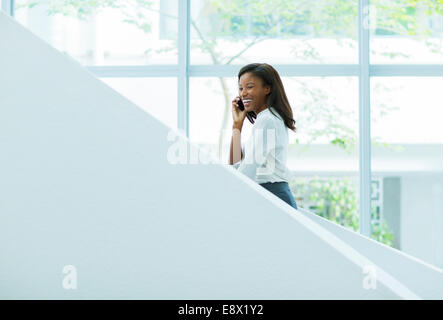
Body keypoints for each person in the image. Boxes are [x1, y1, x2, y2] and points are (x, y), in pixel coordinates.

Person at [229, 63, 298, 209]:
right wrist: (237, 126)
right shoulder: (266, 118)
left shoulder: (267, 120)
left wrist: (229, 195)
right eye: (241, 88)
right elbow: (236, 164)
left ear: (267, 88)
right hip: (268, 194)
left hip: (272, 194)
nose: (243, 93)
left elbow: (247, 170)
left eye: (250, 86)